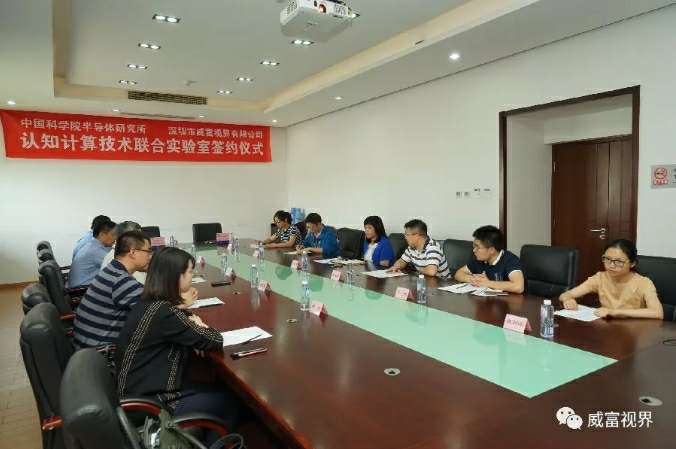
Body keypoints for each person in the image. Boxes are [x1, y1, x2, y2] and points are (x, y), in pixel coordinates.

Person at [116, 247, 238, 431]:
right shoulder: (164, 313)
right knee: (231, 402)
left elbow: (184, 326)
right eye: (189, 271)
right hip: (153, 404)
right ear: (175, 276)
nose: (192, 275)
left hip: (138, 391)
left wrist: (191, 321)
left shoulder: (150, 302)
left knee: (213, 388)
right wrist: (199, 326)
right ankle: (216, 441)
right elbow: (214, 339)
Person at [73, 231, 153, 349]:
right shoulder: (121, 281)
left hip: (85, 347)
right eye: (148, 251)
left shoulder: (112, 270)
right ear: (133, 252)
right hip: (102, 353)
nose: (150, 256)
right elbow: (158, 311)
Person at [560, 239, 663, 319]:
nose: (611, 265)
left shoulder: (644, 283)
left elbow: (657, 313)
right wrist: (568, 299)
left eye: (618, 261)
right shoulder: (600, 278)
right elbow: (566, 294)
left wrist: (614, 312)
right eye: (607, 259)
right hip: (608, 328)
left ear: (632, 263)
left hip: (634, 332)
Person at [454, 225, 524, 294]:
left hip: (511, 300)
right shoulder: (479, 258)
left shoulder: (510, 260)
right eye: (474, 246)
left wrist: (487, 283)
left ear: (491, 250)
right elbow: (458, 273)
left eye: (478, 247)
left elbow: (518, 287)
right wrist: (473, 279)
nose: (474, 250)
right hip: (487, 299)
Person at [68, 218, 117, 287]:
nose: (116, 238)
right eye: (113, 235)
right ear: (102, 234)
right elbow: (117, 266)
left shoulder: (92, 244)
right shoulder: (95, 251)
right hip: (81, 289)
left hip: (78, 285)